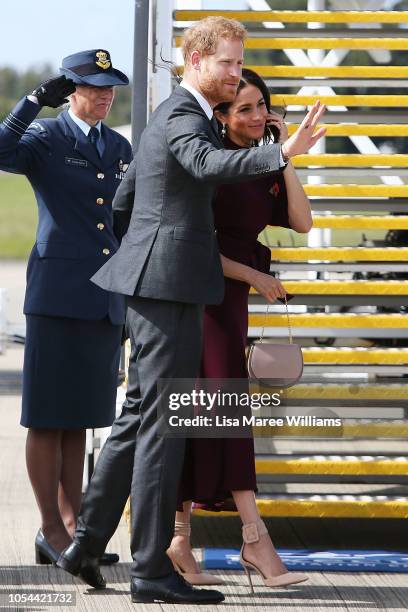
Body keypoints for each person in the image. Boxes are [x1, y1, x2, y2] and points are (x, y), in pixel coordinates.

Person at [57, 17, 326, 604]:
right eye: (228, 63)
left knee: (138, 420)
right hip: (168, 287)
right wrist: (281, 152)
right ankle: (150, 570)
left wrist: (147, 250)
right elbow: (206, 167)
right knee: (160, 427)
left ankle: (84, 546)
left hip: (164, 282)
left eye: (239, 63)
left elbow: (128, 202)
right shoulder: (183, 116)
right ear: (195, 59)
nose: (236, 73)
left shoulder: (184, 117)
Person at [167, 68, 312, 588]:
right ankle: (255, 538)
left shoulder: (262, 162)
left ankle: (180, 540)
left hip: (233, 303)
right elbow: (196, 244)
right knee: (224, 414)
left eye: (260, 108)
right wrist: (256, 275)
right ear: (222, 116)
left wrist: (283, 152)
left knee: (203, 417)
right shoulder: (211, 165)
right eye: (243, 108)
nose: (253, 117)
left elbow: (301, 221)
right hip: (203, 300)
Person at [0, 50, 132, 571]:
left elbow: (121, 224)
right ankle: (50, 529)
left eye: (110, 88)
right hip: (56, 296)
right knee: (47, 420)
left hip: (104, 299)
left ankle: (75, 528)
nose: (104, 96)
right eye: (94, 87)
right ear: (70, 90)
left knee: (80, 419)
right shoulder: (45, 138)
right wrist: (32, 101)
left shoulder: (119, 145)